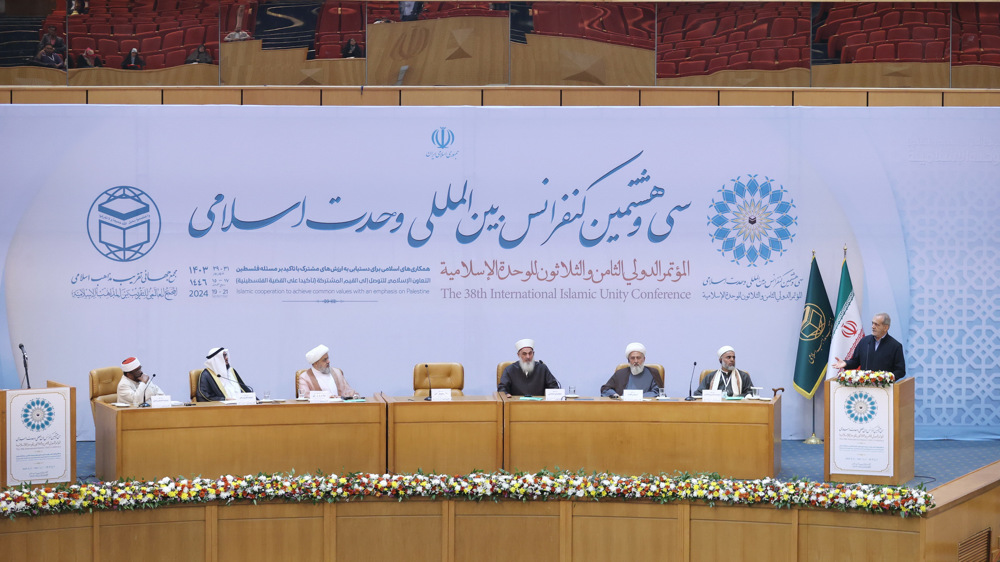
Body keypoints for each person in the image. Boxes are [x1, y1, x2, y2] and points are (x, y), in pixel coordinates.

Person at [833, 312, 906, 380]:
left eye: (876, 324)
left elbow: (900, 370)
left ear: (885, 327)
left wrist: (887, 378)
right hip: (864, 386)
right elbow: (855, 362)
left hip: (884, 389)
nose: (873, 327)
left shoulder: (895, 346)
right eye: (872, 323)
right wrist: (846, 363)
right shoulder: (864, 341)